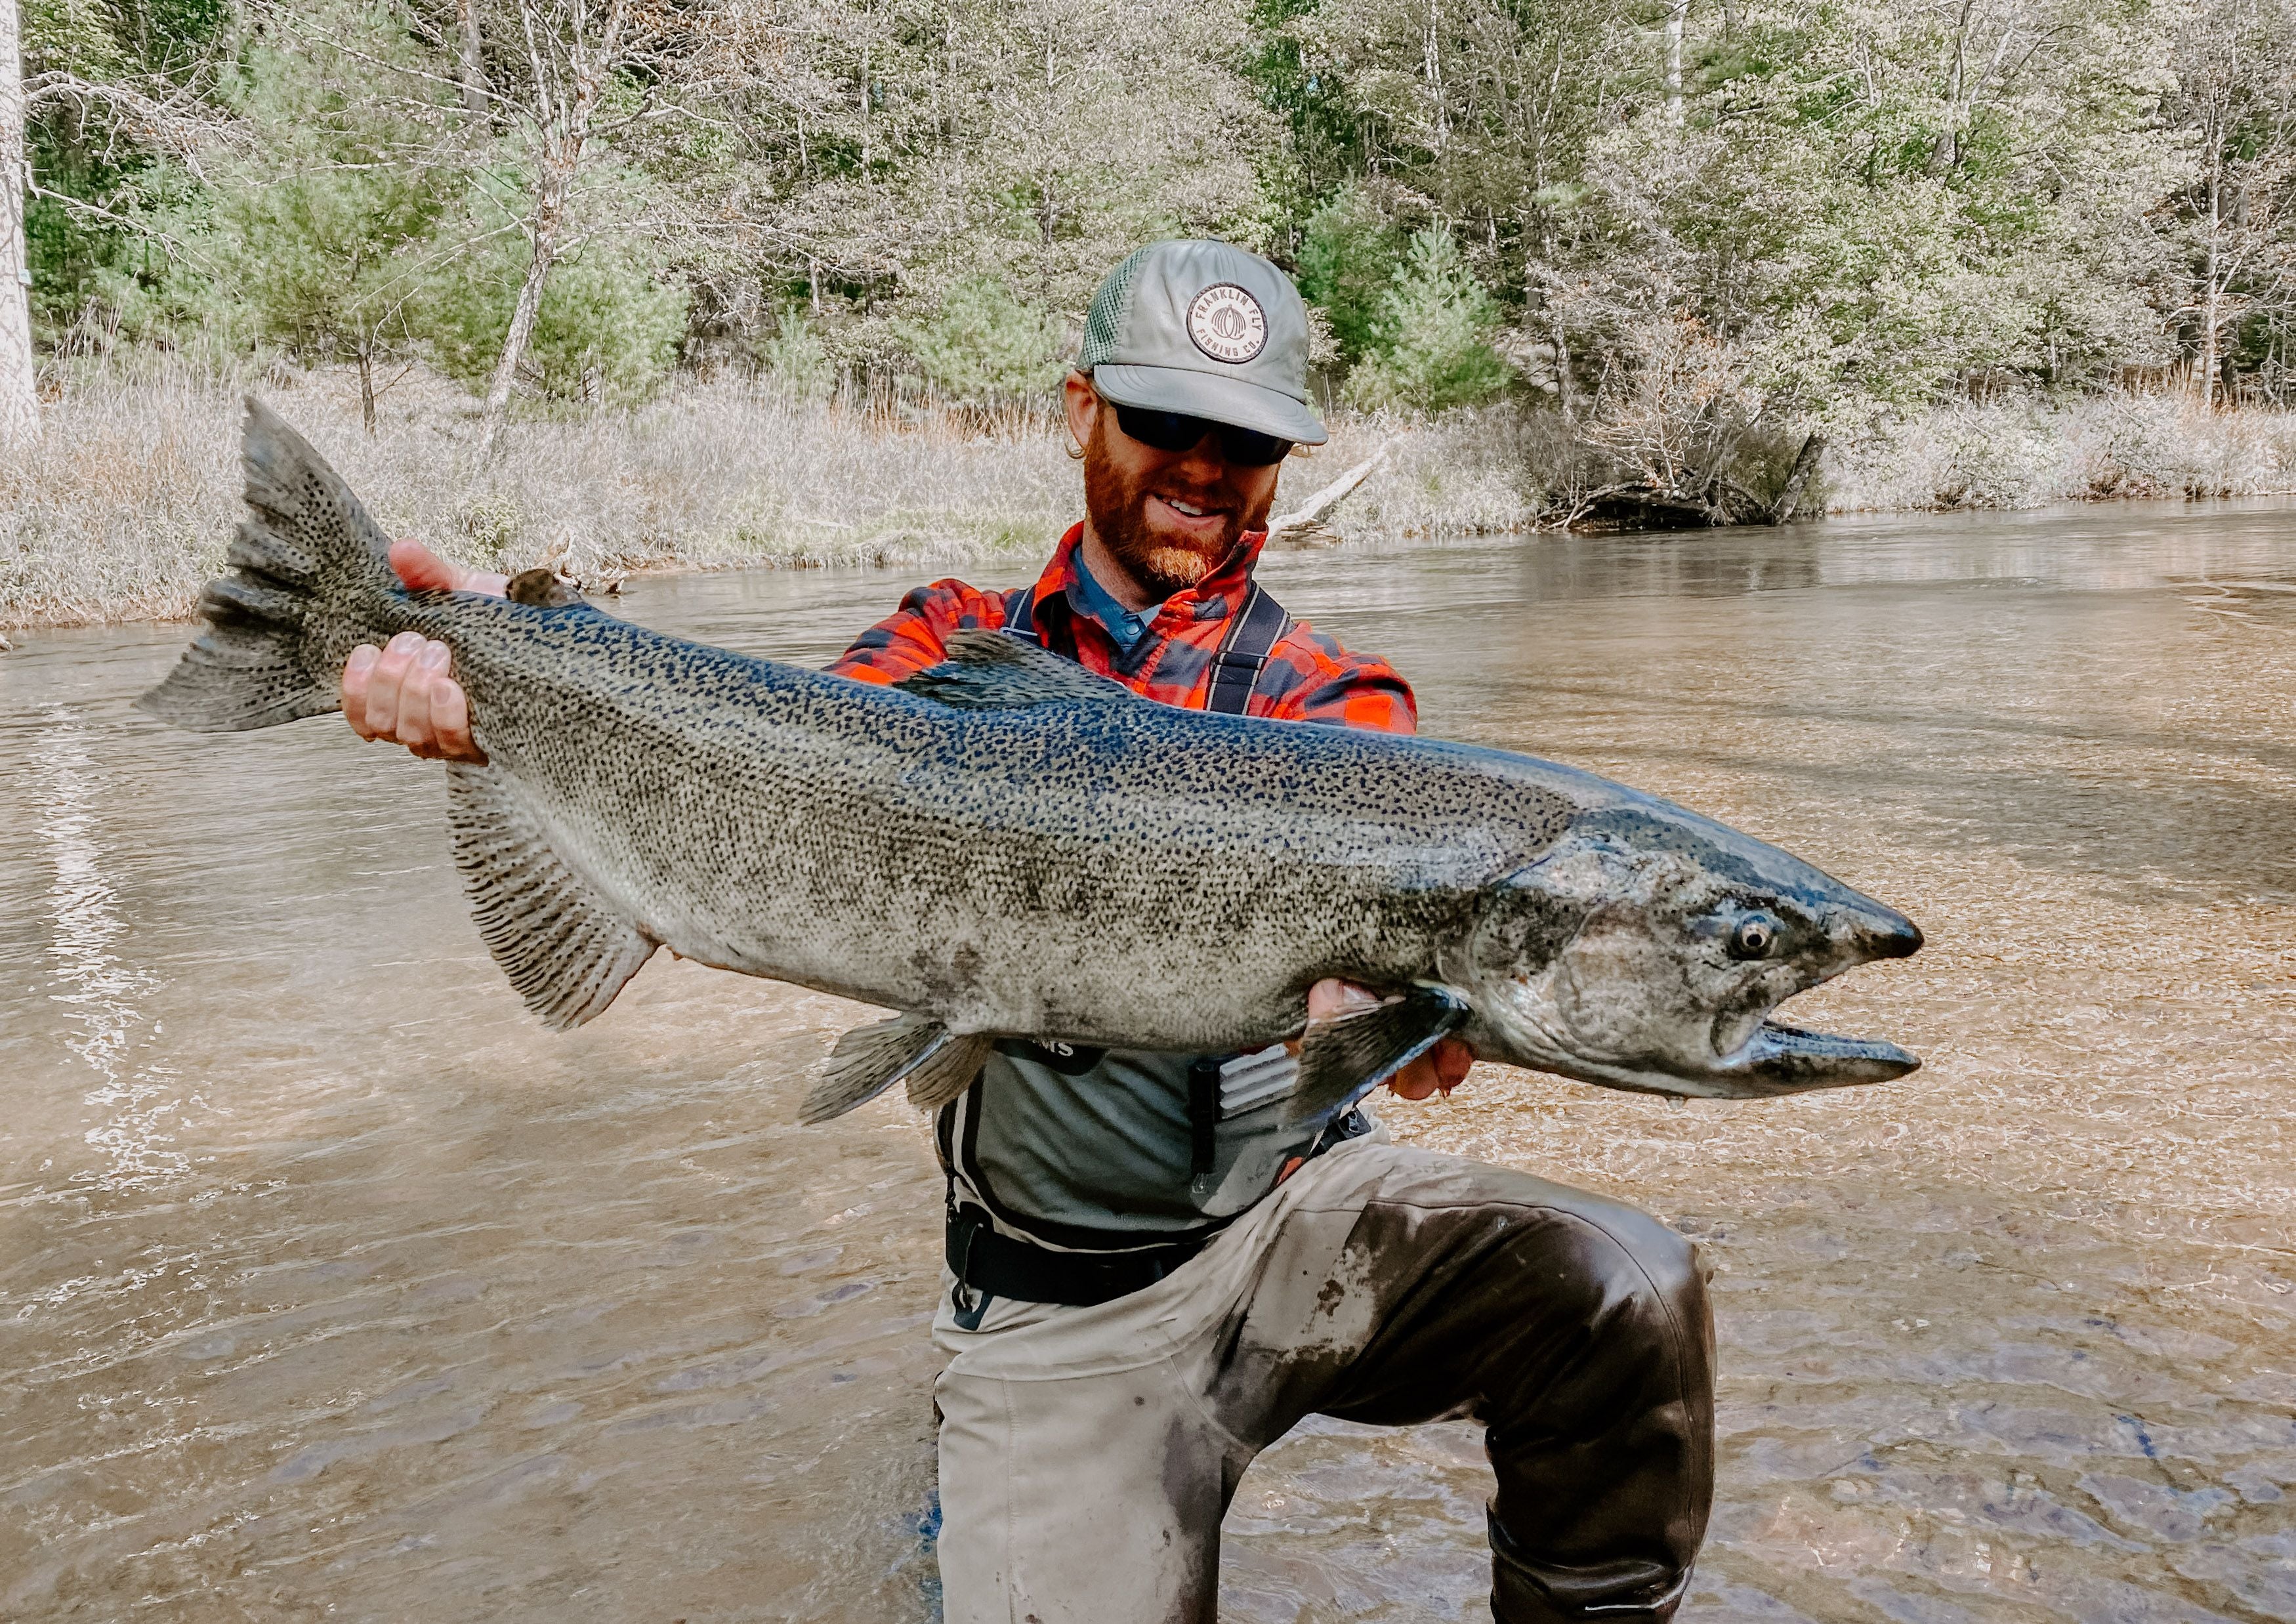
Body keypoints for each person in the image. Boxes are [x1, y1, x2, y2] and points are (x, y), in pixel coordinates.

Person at [341, 240, 1714, 1623]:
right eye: (1166, 421)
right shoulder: (943, 643)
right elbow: (762, 767)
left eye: (1244, 440)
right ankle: (984, 1468)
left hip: (1291, 1226)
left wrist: (1390, 1039)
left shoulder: (1332, 701)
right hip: (1059, 1303)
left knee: (1628, 1289)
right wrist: (504, 679)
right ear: (1079, 411)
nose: (1203, 465)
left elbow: (1389, 996)